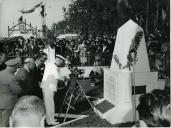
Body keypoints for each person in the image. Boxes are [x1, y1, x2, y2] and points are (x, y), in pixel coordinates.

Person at [41, 54, 66, 125]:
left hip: (47, 86)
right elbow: (57, 76)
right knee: (50, 105)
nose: (61, 63)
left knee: (48, 104)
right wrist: (65, 78)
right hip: (48, 87)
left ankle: (49, 119)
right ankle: (50, 121)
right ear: (58, 60)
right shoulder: (53, 65)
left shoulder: (51, 64)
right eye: (61, 62)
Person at [0, 58, 22, 127]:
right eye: (16, 67)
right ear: (13, 67)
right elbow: (17, 90)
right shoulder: (12, 77)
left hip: (1, 102)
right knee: (5, 123)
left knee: (1, 121)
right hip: (9, 104)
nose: (16, 69)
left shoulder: (1, 73)